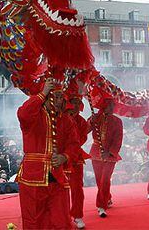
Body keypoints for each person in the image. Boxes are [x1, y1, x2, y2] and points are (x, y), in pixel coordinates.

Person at [17, 78, 80, 229]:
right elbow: (23, 114)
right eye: (55, 96)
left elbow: (74, 144)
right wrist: (43, 92)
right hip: (33, 176)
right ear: (45, 98)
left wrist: (65, 156)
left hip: (57, 176)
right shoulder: (33, 117)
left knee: (61, 220)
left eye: (61, 97)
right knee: (34, 220)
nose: (59, 101)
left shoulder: (66, 120)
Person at [89, 98, 123, 217]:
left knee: (104, 179)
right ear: (104, 106)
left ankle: (101, 206)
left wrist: (109, 152)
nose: (112, 108)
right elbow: (85, 130)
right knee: (100, 180)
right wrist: (90, 122)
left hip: (110, 155)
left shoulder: (117, 121)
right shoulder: (96, 118)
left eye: (113, 106)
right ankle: (107, 197)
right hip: (95, 152)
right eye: (109, 106)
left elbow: (118, 139)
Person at [66, 94, 90, 229]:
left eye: (78, 103)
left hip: (75, 157)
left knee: (77, 188)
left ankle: (77, 215)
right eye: (73, 102)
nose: (75, 105)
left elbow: (81, 139)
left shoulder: (81, 122)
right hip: (60, 158)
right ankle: (62, 215)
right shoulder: (60, 118)